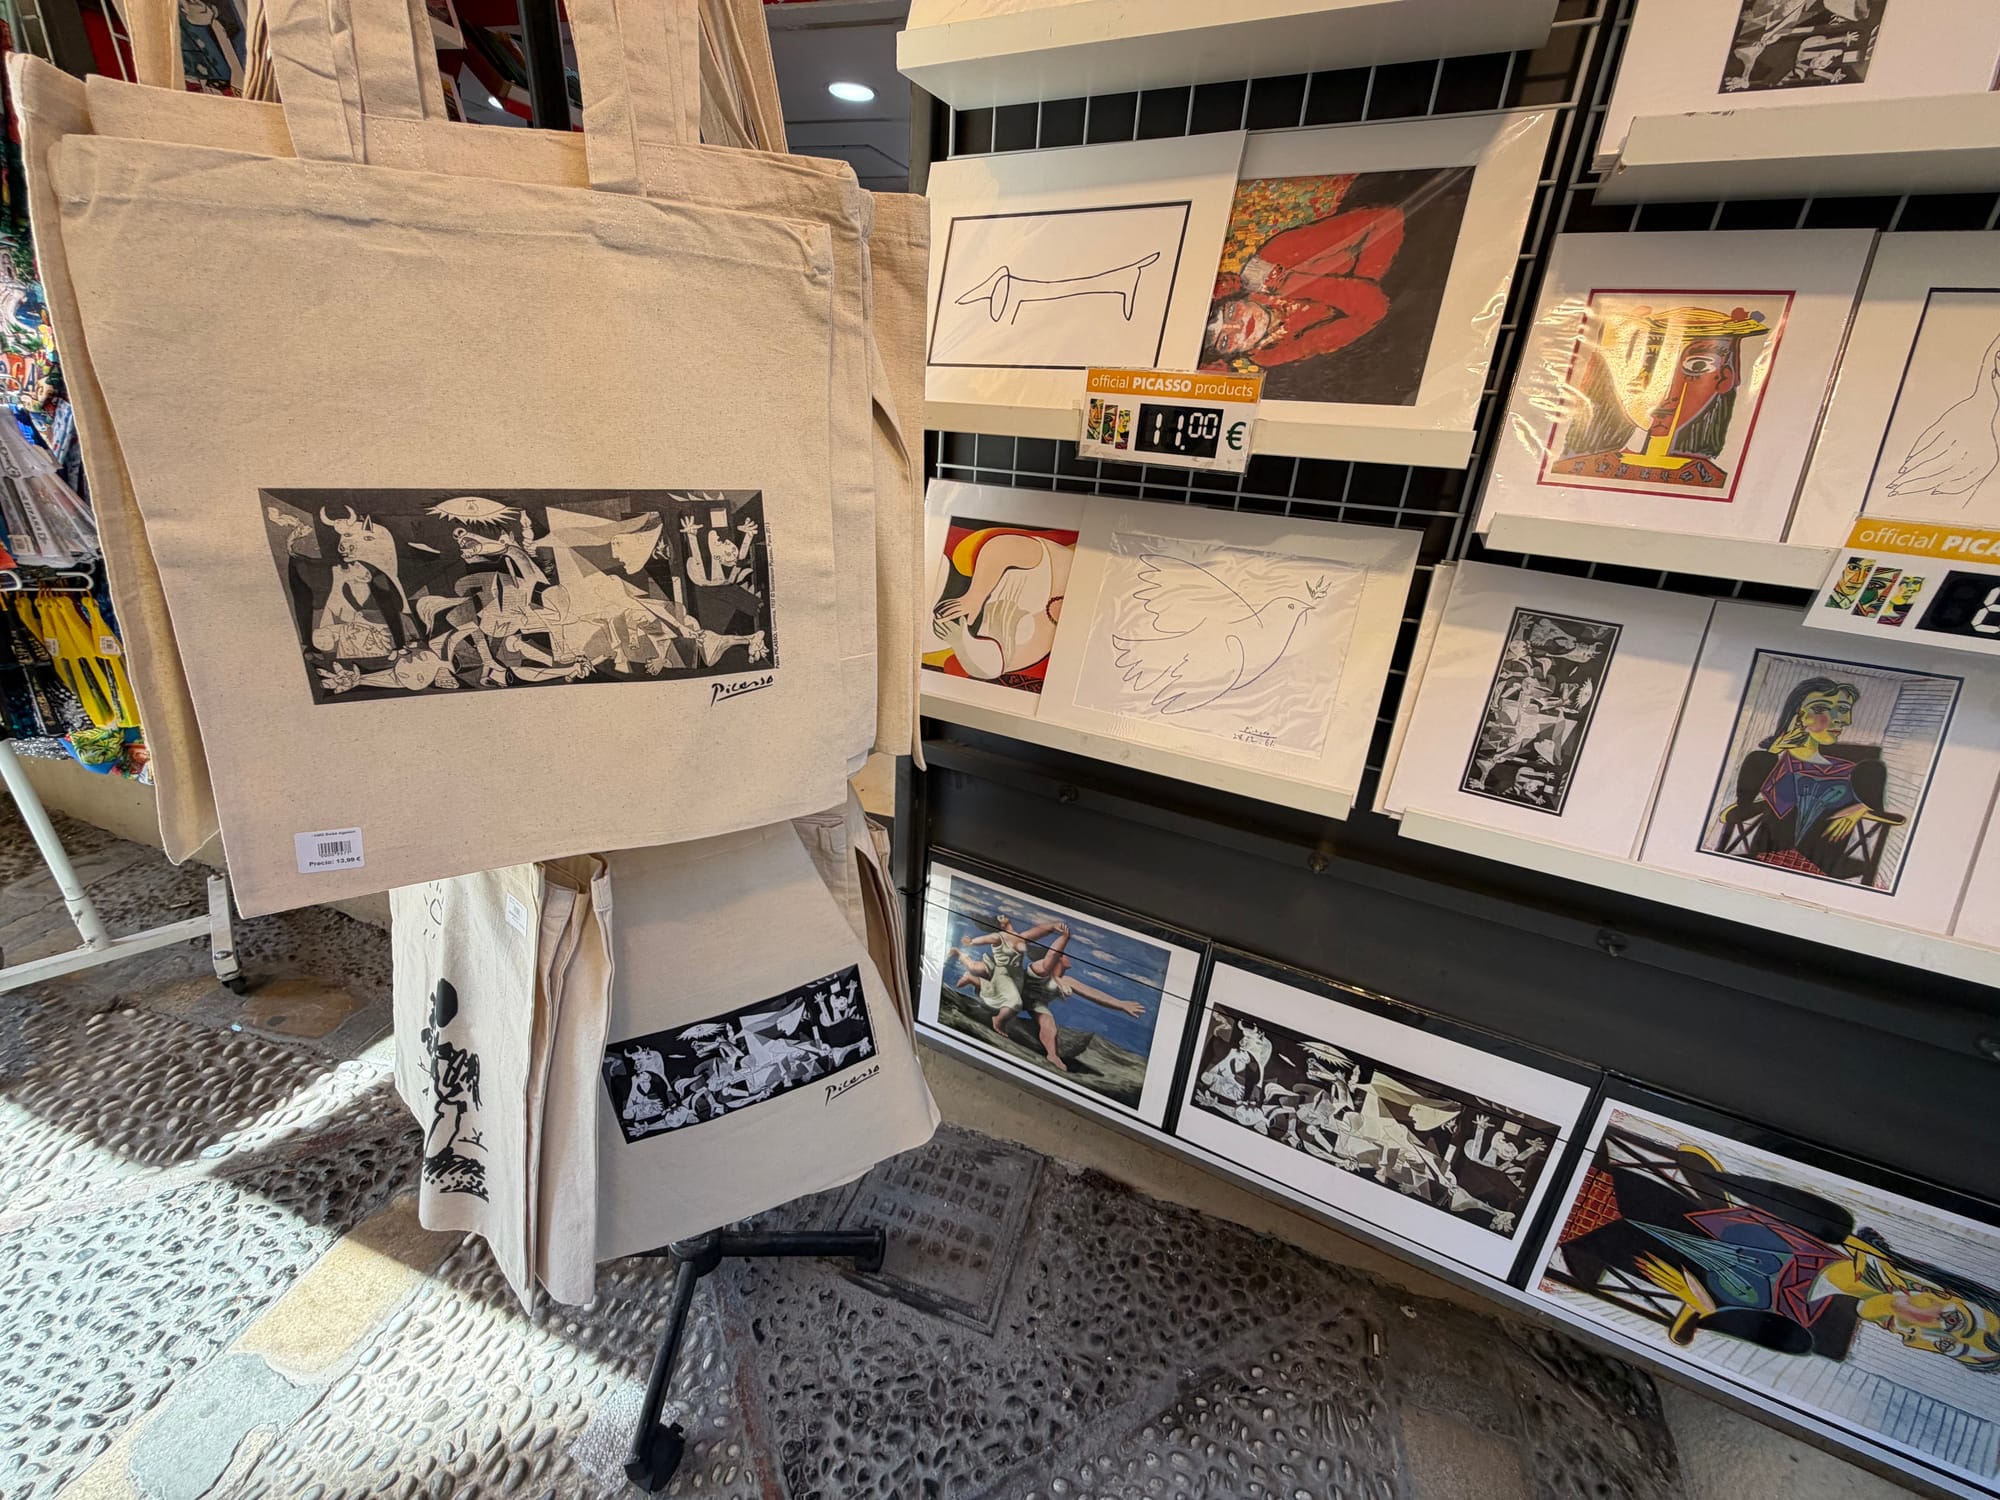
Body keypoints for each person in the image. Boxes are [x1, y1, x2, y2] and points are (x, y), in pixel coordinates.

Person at [1556, 1133, 2000, 1370]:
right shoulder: (1841, 1232)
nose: (1915, 1333)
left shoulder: (1818, 1338)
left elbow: (1686, 1333)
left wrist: (1703, 1310)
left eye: (1944, 1346)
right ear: (1945, 1291)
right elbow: (1731, 1184)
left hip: (1629, 1255)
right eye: (1951, 1320)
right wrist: (1714, 1190)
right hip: (1648, 1196)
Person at [1552, 306, 1771, 491]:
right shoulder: (1574, 468)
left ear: (1725, 378)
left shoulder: (1712, 479)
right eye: (1649, 363)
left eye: (1697, 366)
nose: (1664, 391)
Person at [1714, 676, 1904, 884]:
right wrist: (1775, 750)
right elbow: (1743, 807)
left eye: (1843, 709)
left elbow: (1883, 811)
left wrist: (1861, 808)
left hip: (1823, 863)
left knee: (1873, 769)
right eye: (1822, 708)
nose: (1843, 720)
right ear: (1798, 715)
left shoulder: (1856, 771)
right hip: (1766, 853)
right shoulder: (1771, 761)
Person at [1200, 205, 1405, 373]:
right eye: (1225, 340)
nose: (1238, 326)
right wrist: (1363, 290)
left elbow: (1386, 218)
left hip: (1401, 254)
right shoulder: (1268, 356)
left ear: (1236, 298)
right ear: (1232, 354)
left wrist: (1368, 280)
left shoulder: (1275, 258)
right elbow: (1373, 311)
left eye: (1230, 312)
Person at [931, 528, 1073, 684]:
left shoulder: (1043, 646)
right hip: (949, 578)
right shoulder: (1065, 566)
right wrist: (975, 596)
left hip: (943, 628)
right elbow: (1002, 547)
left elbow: (990, 668)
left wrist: (959, 641)